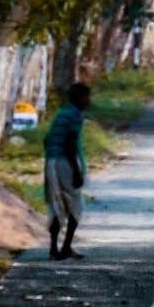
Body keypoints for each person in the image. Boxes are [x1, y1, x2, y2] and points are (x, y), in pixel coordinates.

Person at [41, 71, 93, 256]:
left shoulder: (61, 113)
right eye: (87, 97)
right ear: (80, 98)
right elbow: (71, 143)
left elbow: (47, 140)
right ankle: (66, 247)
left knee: (56, 203)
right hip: (65, 162)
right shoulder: (75, 115)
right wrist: (76, 171)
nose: (89, 101)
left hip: (52, 161)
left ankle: (54, 247)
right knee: (75, 204)